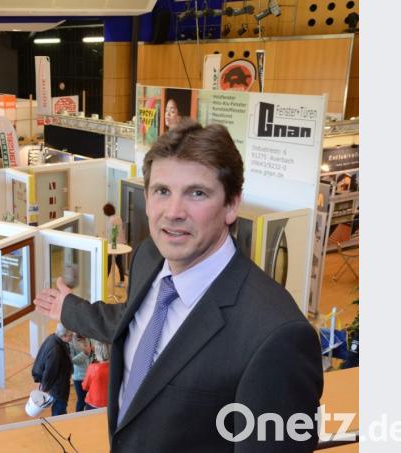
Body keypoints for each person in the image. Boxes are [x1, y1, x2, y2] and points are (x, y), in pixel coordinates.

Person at [33, 120, 323, 451]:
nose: (173, 212)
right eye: (162, 191)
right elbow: (130, 319)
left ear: (231, 205)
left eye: (197, 193)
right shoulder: (148, 256)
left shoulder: (277, 337)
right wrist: (69, 308)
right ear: (147, 198)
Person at [31, 324, 74, 416]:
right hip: (58, 387)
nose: (72, 337)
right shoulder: (56, 350)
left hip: (56, 384)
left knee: (59, 407)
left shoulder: (52, 338)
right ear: (63, 336)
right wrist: (44, 387)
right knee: (59, 409)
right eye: (70, 335)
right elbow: (50, 372)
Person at [103, 202, 127, 287]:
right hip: (120, 244)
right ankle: (122, 281)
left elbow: (113, 235)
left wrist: (111, 249)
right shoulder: (117, 218)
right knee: (119, 263)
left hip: (114, 245)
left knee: (108, 264)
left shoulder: (112, 221)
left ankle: (103, 284)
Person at [81, 341, 110, 410]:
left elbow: (85, 386)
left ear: (97, 352)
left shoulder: (92, 368)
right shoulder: (116, 368)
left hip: (94, 403)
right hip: (111, 403)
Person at [69, 334, 92, 412]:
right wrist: (85, 353)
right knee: (81, 401)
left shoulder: (87, 338)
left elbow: (89, 356)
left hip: (89, 375)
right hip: (79, 377)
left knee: (89, 400)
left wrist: (92, 352)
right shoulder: (71, 342)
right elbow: (72, 361)